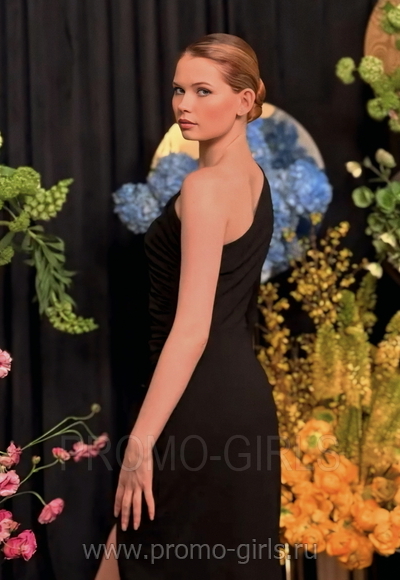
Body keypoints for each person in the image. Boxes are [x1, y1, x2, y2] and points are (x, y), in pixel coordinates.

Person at [95, 32, 281, 580]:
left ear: (244, 100)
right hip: (240, 405)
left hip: (197, 402)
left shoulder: (206, 188)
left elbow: (193, 328)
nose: (184, 104)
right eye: (179, 90)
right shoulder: (255, 180)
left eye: (203, 90)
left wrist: (138, 445)